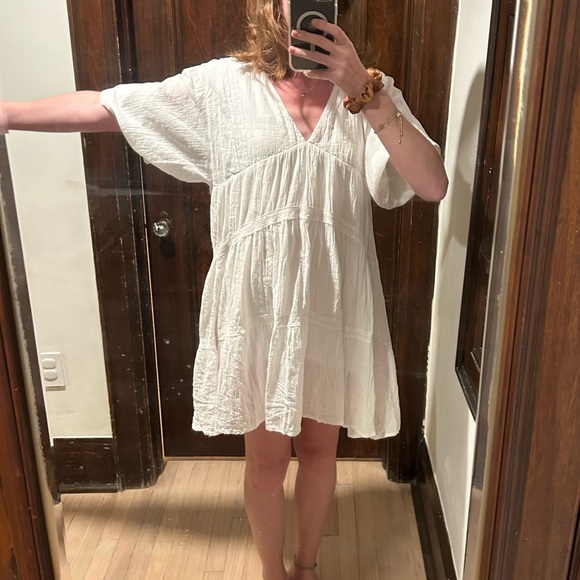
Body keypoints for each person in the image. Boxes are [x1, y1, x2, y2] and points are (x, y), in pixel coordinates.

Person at [1, 0, 447, 578]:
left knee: (319, 453)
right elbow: (112, 105)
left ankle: (306, 567)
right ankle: (271, 573)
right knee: (266, 464)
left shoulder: (366, 91)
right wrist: (9, 112)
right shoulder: (222, 87)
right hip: (256, 311)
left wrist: (363, 88)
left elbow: (431, 184)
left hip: (331, 308)